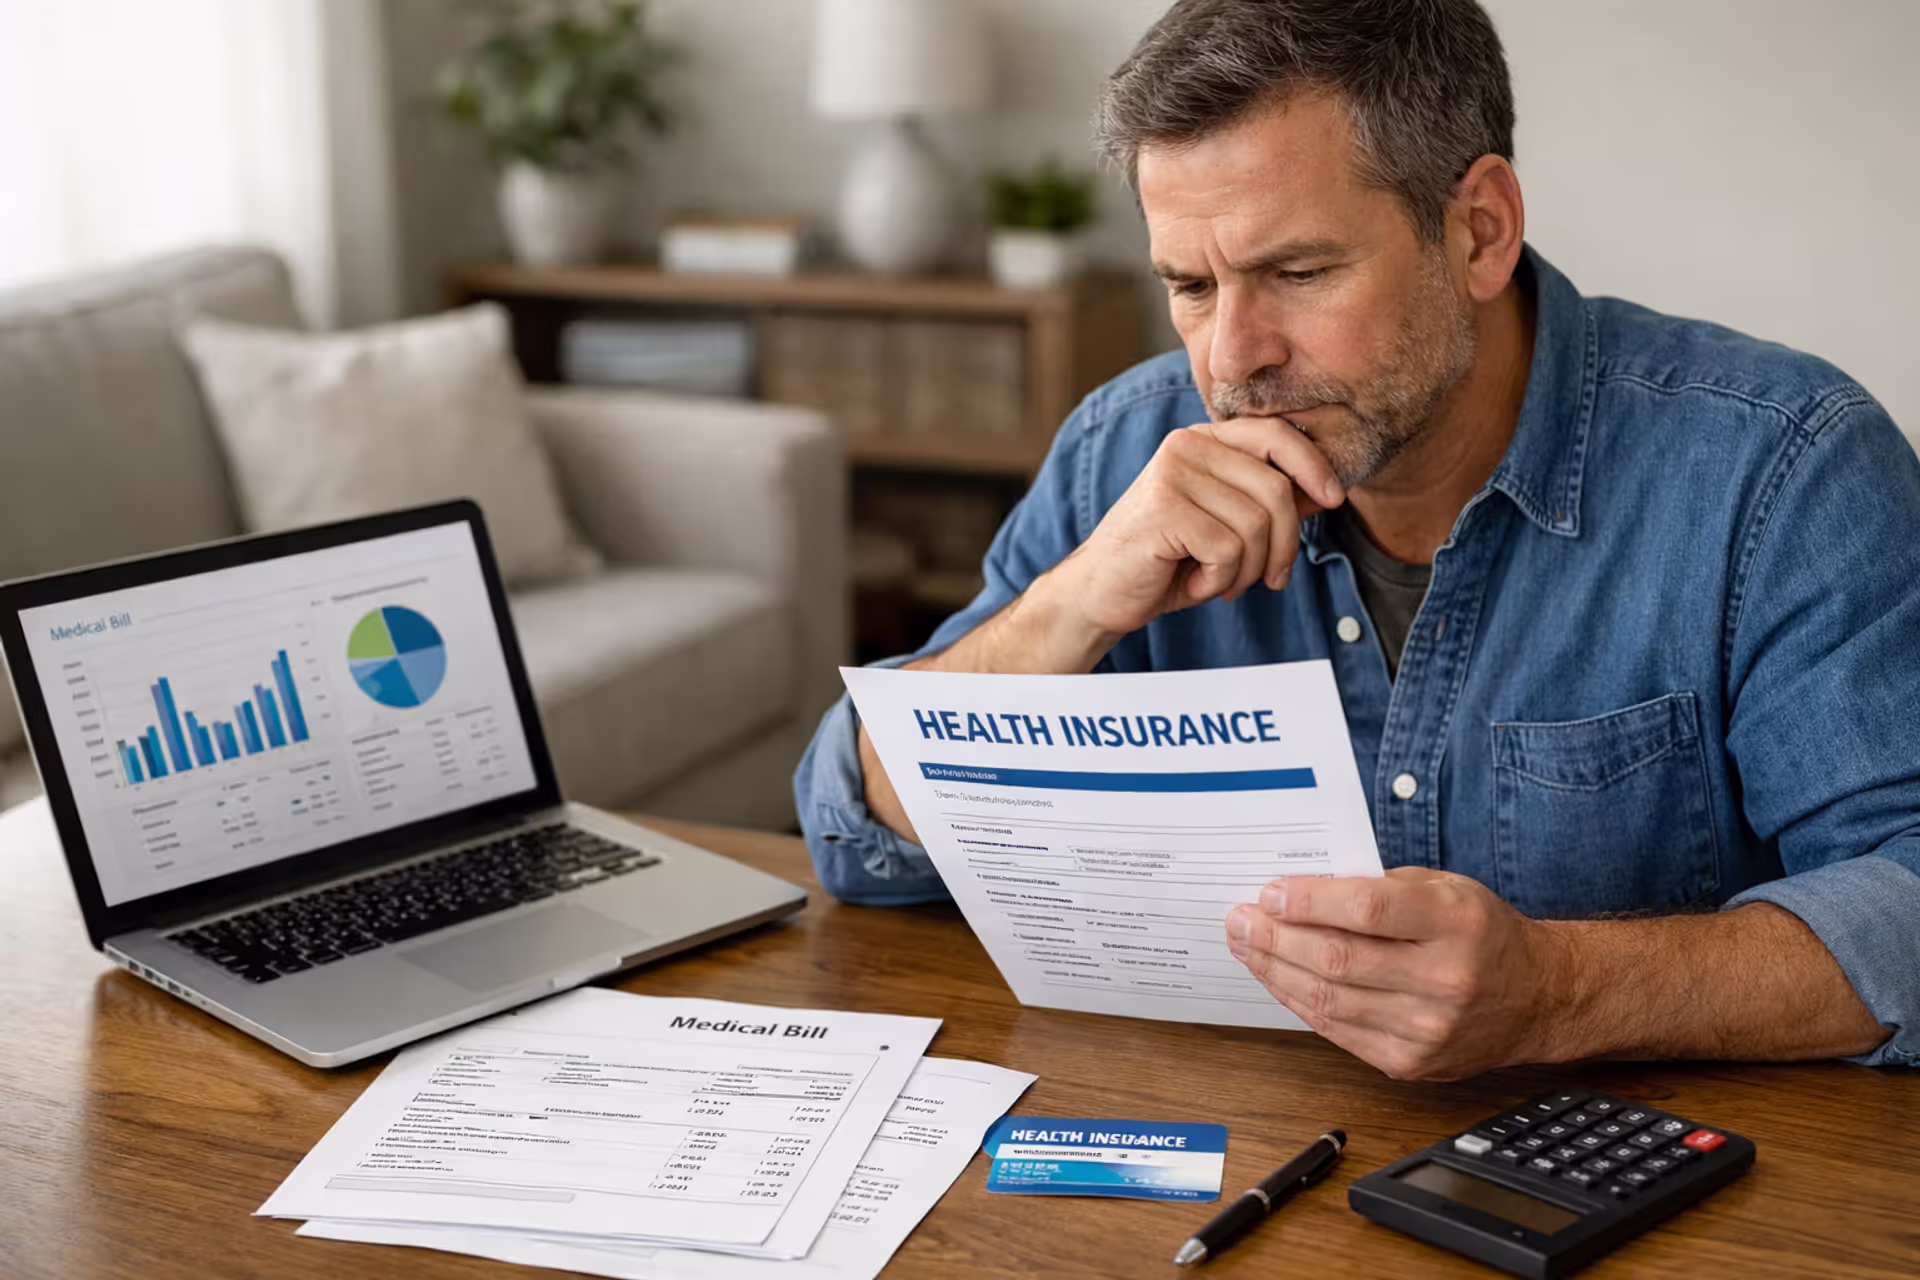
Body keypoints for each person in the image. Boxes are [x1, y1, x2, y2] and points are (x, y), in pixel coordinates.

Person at [794, 0, 1920, 1079]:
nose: (1231, 359)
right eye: (1190, 285)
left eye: (1298, 273)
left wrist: (1560, 991)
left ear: (1479, 231)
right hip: (1231, 1144)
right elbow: (853, 833)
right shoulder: (1123, 453)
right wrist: (1068, 607)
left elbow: (1907, 895)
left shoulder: (1782, 469)